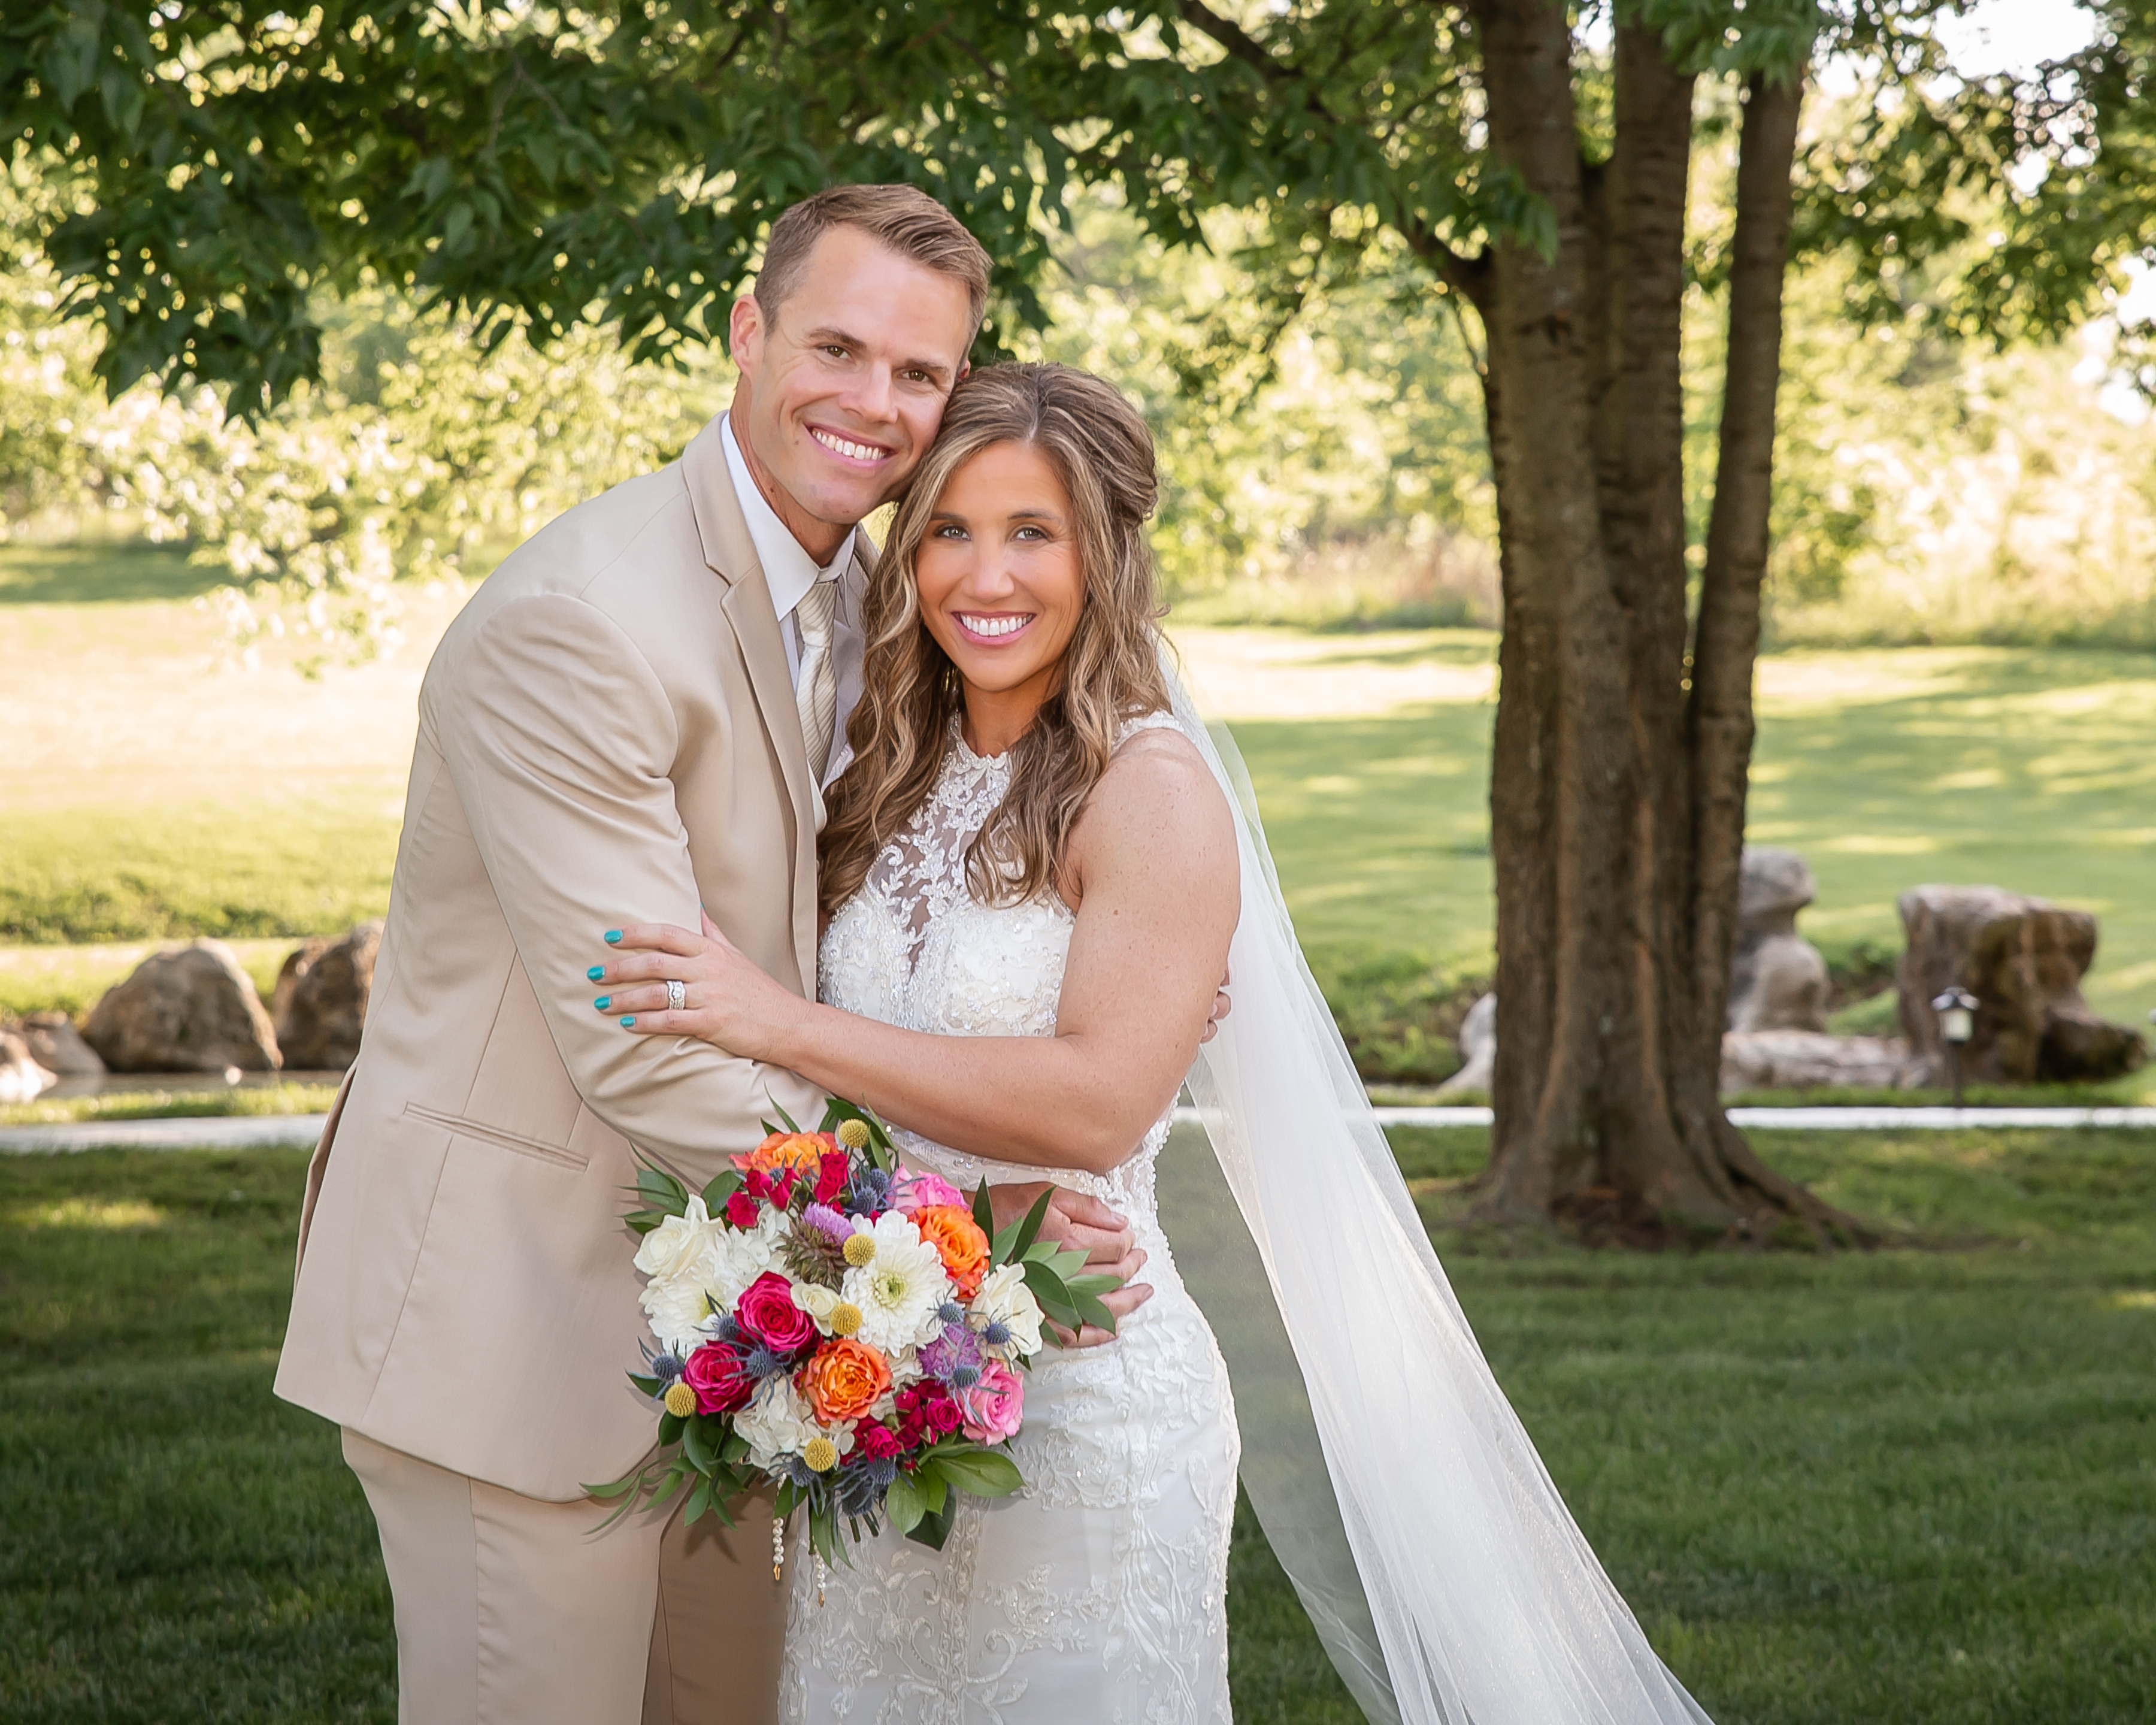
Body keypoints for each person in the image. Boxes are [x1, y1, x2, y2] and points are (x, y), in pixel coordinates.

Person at [595, 363, 1722, 1725]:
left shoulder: (1149, 788)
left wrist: (784, 1023)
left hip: (1087, 1397)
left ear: (1105, 556)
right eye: (950, 529)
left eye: (1034, 533)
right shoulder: (886, 765)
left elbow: (1098, 1104)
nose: (983, 576)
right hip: (881, 1389)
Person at [271, 187, 1171, 1725]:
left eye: (919, 375)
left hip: (749, 1352)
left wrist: (1137, 948)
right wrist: (961, 1232)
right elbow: (645, 1040)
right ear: (747, 334)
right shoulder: (584, 623)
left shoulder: (876, 603)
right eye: (837, 346)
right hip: (520, 1334)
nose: (873, 404)